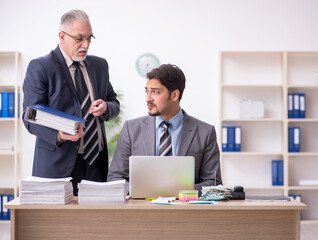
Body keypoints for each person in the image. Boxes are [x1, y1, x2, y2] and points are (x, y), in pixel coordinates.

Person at [22, 9, 120, 195]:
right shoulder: (41, 67)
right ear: (62, 36)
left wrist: (106, 108)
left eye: (90, 38)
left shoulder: (100, 66)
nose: (86, 44)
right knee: (58, 223)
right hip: (58, 165)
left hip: (96, 162)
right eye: (79, 38)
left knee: (95, 221)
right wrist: (59, 134)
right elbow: (29, 117)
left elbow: (114, 103)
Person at [108, 64, 222, 192]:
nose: (148, 99)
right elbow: (115, 177)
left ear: (174, 95)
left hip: (185, 208)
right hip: (142, 208)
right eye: (147, 91)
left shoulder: (205, 132)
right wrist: (142, 189)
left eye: (156, 92)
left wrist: (178, 190)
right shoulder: (131, 129)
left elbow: (214, 183)